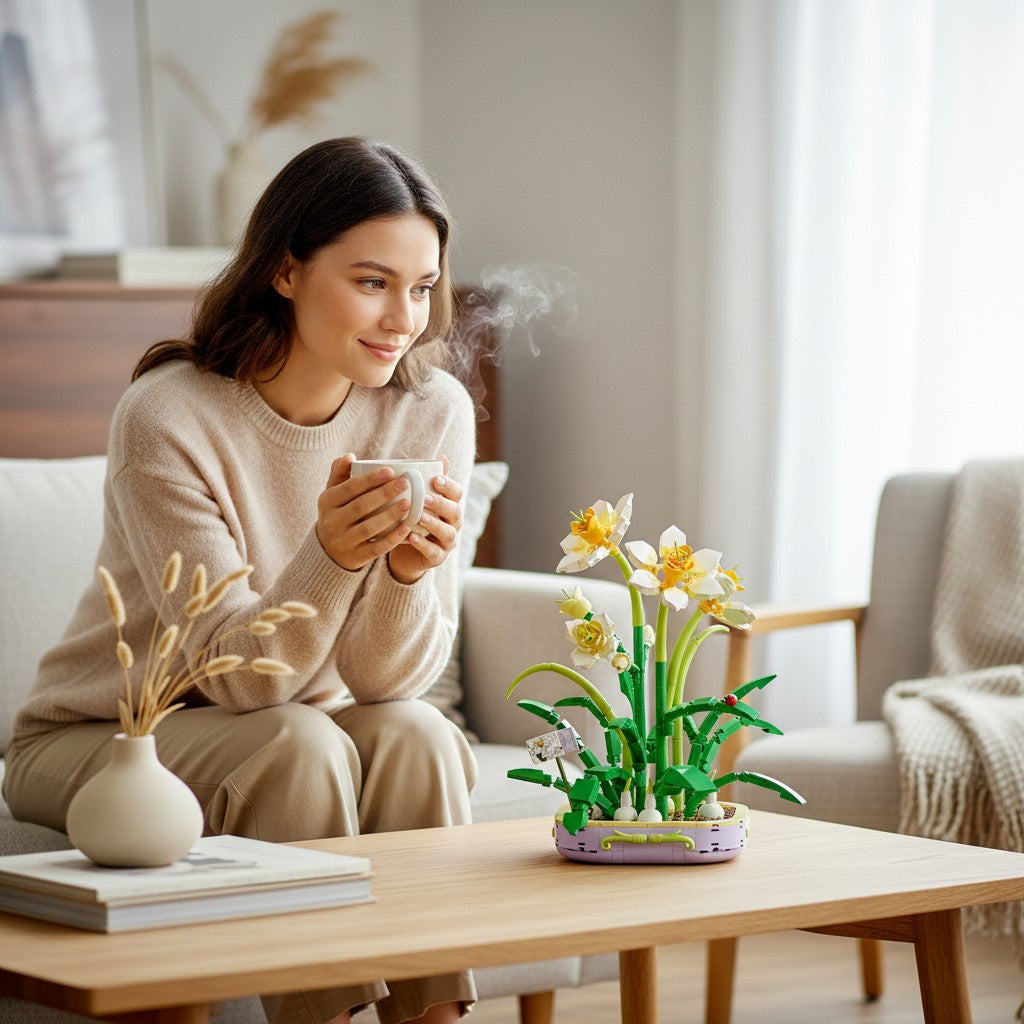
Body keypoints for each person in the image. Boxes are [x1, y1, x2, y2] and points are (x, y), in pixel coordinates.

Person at [2, 137, 478, 1024]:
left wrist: (407, 575)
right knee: (294, 743)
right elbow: (242, 683)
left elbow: (384, 684)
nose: (403, 319)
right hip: (110, 737)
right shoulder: (170, 414)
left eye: (421, 287)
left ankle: (433, 1018)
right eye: (372, 282)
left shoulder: (429, 409)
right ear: (287, 271)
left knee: (414, 732)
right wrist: (332, 558)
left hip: (303, 711)